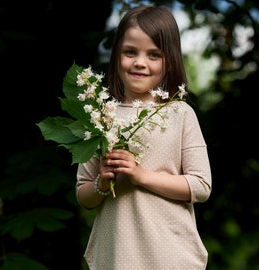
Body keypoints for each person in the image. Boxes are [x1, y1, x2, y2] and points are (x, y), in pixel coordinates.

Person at [76, 4, 212, 270]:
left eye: (154, 55)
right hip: (116, 255)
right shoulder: (101, 116)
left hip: (171, 255)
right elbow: (83, 195)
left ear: (169, 60)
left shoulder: (180, 113)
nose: (140, 62)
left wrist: (140, 176)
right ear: (117, 56)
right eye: (130, 52)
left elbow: (201, 186)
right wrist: (102, 182)